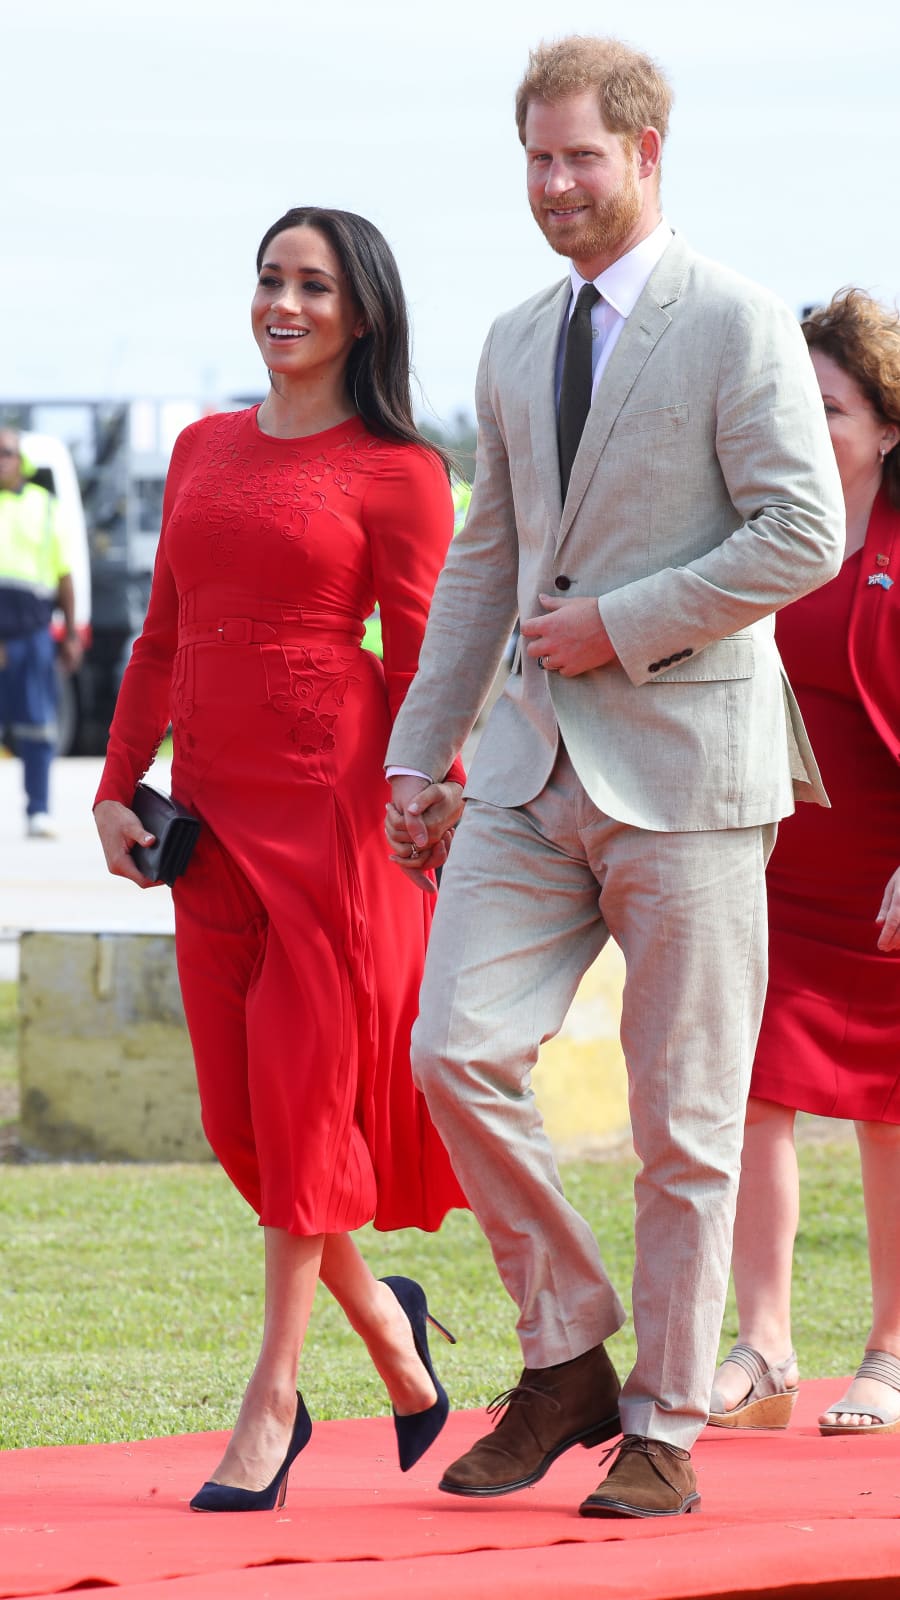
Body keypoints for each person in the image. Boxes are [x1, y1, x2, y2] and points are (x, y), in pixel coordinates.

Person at [383, 34, 845, 1519]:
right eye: (537, 159)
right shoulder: (516, 338)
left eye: (581, 156)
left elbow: (803, 533)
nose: (555, 184)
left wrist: (621, 625)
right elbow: (486, 559)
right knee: (453, 1049)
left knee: (685, 1121)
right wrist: (419, 752)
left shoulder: (740, 320)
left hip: (694, 771)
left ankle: (667, 1424)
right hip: (529, 773)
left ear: (648, 153)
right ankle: (569, 1350)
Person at [93, 207, 467, 1512]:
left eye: (314, 285)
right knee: (243, 1126)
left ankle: (273, 1403)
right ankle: (393, 1333)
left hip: (334, 822)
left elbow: (424, 663)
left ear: (361, 314)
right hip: (208, 825)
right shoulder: (200, 448)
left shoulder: (402, 470)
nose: (285, 303)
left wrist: (432, 804)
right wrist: (113, 786)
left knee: (304, 1111)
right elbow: (158, 637)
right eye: (270, 279)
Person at [710, 289, 900, 1437]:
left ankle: (891, 1351)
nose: (804, 421)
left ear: (887, 427)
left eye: (829, 406)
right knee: (753, 1092)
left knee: (891, 1111)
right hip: (768, 864)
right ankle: (767, 1346)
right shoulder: (755, 527)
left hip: (885, 875)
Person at [0, 428, 82, 836]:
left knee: (37, 725)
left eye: (5, 452)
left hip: (32, 634)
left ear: (21, 460)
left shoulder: (45, 506)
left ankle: (38, 811)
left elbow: (63, 573)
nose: (0, 460)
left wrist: (71, 634)